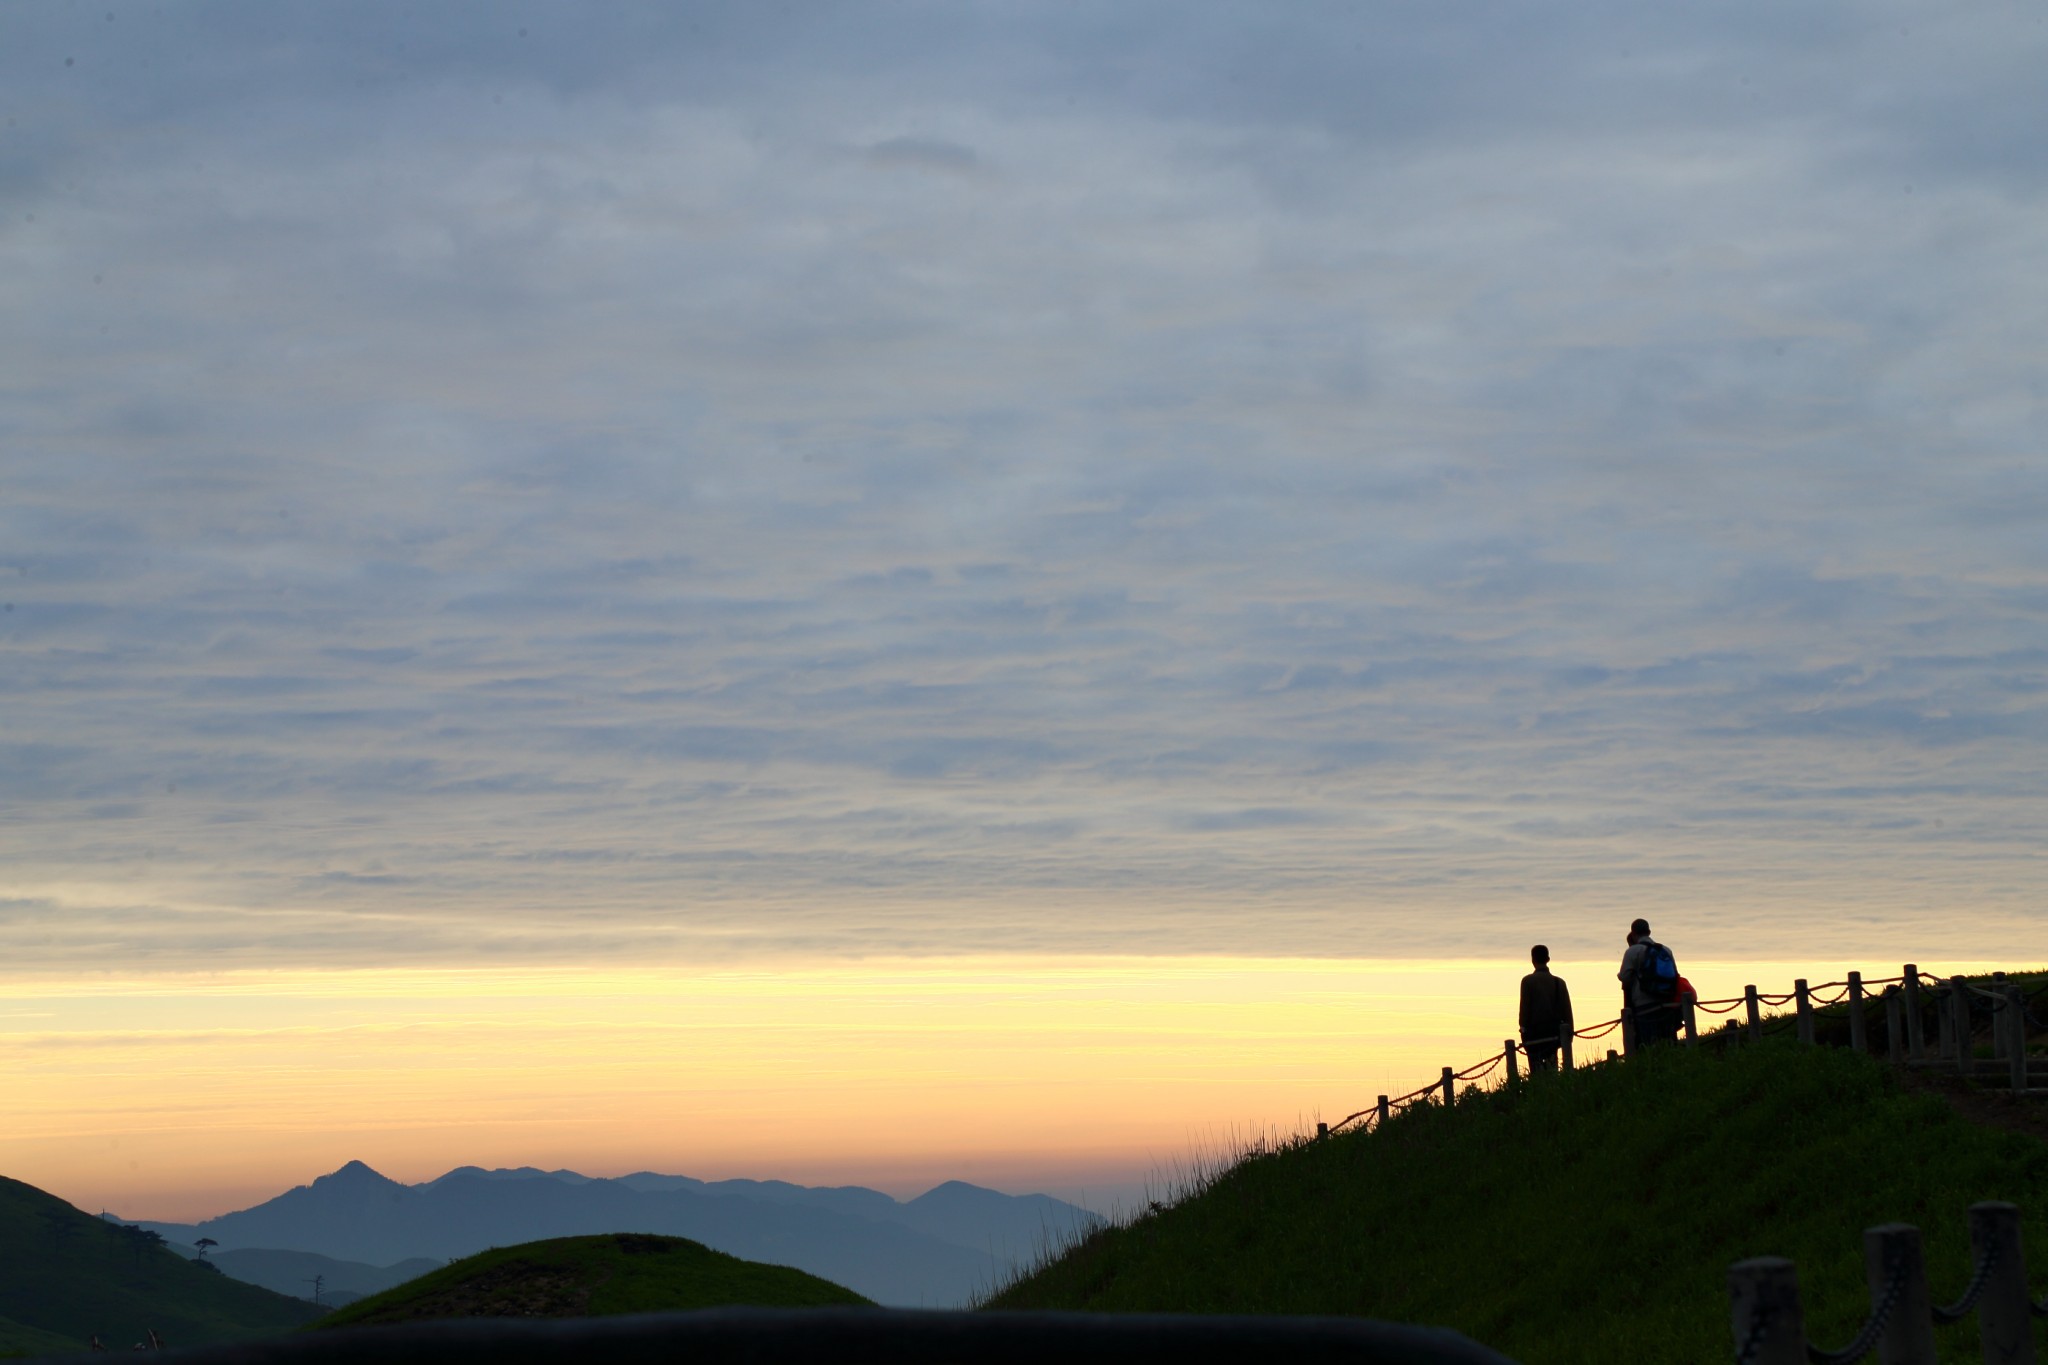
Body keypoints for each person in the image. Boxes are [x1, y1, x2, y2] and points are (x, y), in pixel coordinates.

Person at [1618, 917, 1678, 1046]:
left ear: (1633, 934)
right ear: (1649, 932)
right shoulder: (1665, 950)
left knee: (1647, 1043)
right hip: (1666, 1001)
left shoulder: (1632, 951)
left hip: (1644, 1005)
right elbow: (1675, 974)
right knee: (1668, 1041)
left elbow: (1625, 977)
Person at [1518, 944, 1573, 1072]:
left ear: (1532, 960)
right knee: (1552, 1067)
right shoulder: (1559, 983)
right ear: (1548, 959)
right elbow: (1567, 1012)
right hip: (1554, 1034)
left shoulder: (1527, 981)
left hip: (1534, 1035)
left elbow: (1524, 1011)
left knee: (1536, 1071)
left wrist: (1523, 1031)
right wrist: (1568, 1037)